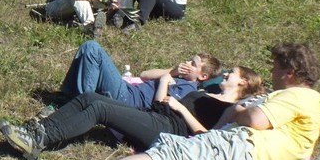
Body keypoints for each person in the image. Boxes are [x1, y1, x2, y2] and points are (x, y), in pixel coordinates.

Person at [35, 42, 320, 160]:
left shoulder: (299, 96)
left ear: (290, 73)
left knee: (166, 155)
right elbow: (303, 156)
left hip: (241, 153)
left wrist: (239, 112)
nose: (272, 71)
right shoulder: (308, 110)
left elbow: (255, 120)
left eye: (276, 67)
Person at [0, 66, 265, 160]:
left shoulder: (232, 109)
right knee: (91, 97)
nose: (226, 74)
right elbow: (161, 99)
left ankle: (39, 140)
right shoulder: (207, 92)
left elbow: (208, 138)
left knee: (100, 109)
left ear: (243, 83)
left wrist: (182, 108)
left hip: (168, 132)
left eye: (232, 73)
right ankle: (37, 129)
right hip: (155, 116)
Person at [59, 40, 221, 111]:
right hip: (128, 89)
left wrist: (164, 81)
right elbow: (144, 74)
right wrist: (172, 72)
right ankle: (67, 95)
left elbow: (161, 107)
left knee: (92, 48)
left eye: (193, 64)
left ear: (203, 76)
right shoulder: (177, 76)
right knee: (86, 48)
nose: (187, 63)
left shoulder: (188, 89)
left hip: (128, 100)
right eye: (189, 59)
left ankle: (79, 104)